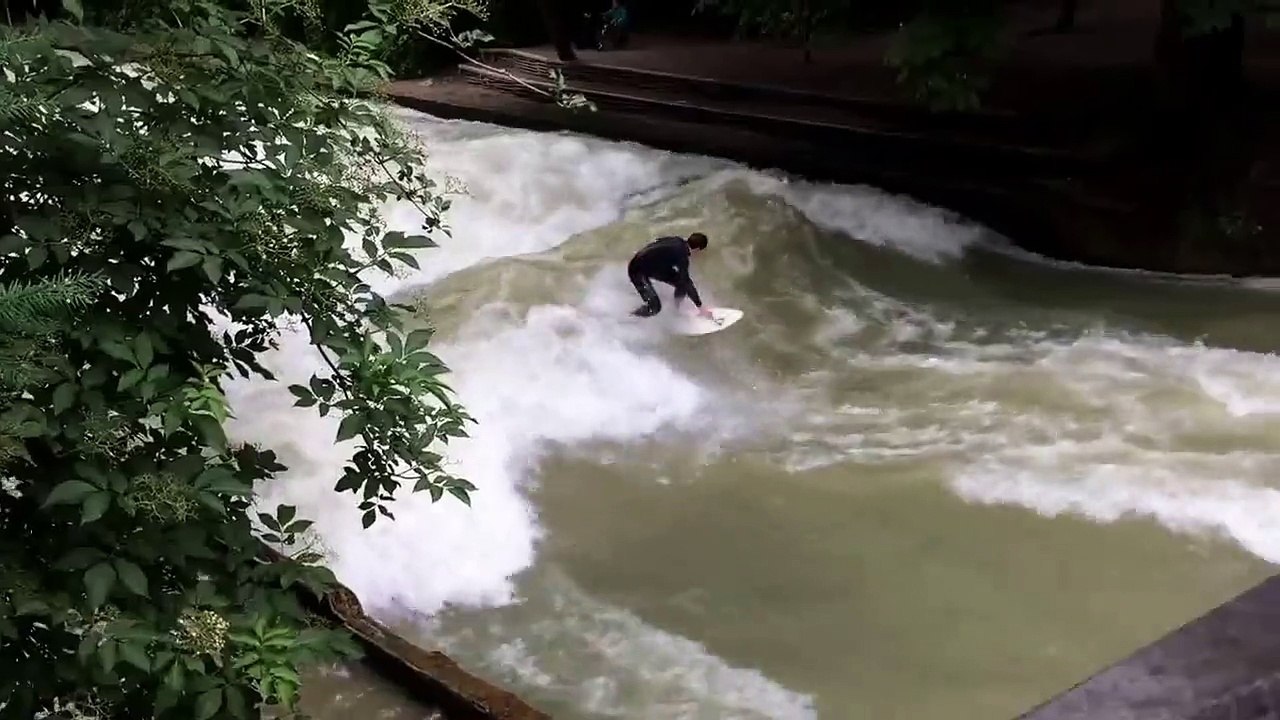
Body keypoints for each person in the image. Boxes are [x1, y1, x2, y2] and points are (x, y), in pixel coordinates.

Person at [627, 232, 714, 318]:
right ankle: (631, 316)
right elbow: (686, 281)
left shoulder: (678, 240)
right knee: (655, 308)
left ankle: (676, 309)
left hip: (653, 266)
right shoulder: (682, 255)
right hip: (637, 270)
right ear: (697, 249)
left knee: (681, 283)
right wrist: (701, 307)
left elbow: (658, 241)